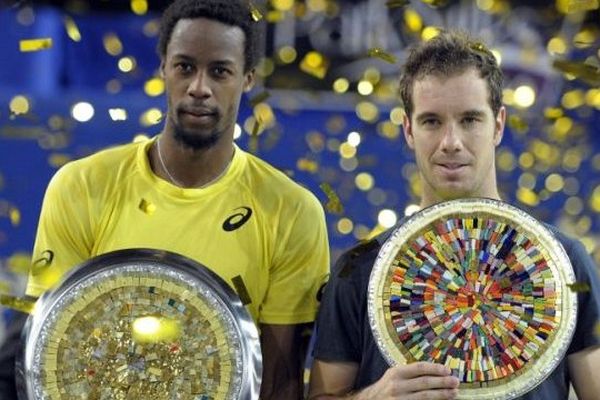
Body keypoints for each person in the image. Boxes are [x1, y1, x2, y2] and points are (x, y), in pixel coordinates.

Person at [0, 1, 329, 399]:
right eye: (185, 67)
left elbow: (281, 383)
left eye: (219, 71)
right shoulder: (80, 185)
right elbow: (50, 355)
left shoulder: (292, 211)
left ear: (247, 79)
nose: (199, 88)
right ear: (163, 69)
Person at [308, 30, 600, 400]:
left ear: (498, 124)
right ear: (408, 130)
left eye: (470, 120)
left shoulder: (566, 263)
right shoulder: (357, 270)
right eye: (432, 121)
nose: (451, 142)